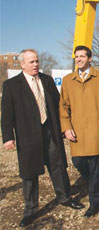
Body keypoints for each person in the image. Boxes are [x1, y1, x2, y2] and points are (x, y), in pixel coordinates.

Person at [1, 49, 84, 227]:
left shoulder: (47, 80)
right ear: (22, 64)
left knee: (58, 166)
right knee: (30, 173)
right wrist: (8, 137)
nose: (35, 64)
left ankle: (64, 198)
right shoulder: (11, 85)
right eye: (31, 62)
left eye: (37, 61)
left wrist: (65, 127)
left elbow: (58, 105)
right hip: (28, 137)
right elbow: (6, 114)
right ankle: (30, 210)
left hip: (50, 132)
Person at [59, 45, 99, 217]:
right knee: (78, 162)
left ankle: (95, 201)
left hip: (97, 130)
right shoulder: (68, 80)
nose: (79, 59)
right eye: (77, 57)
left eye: (83, 56)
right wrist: (66, 128)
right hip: (76, 131)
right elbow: (63, 107)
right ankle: (95, 184)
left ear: (90, 58)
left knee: (96, 168)